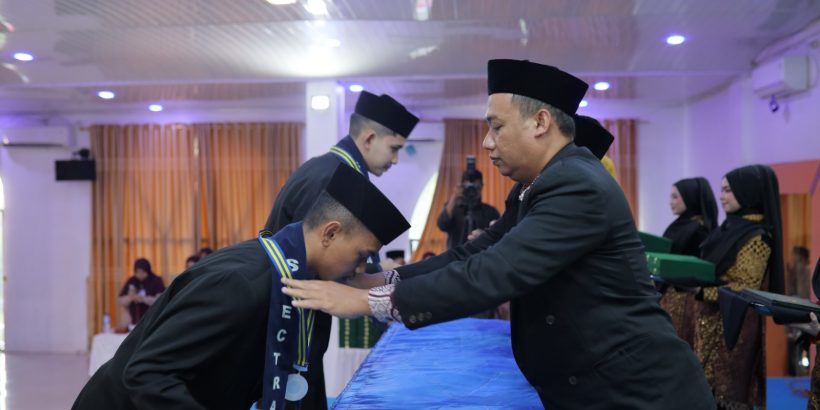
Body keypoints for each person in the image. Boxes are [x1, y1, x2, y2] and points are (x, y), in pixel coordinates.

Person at [282, 59, 715, 409]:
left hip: (639, 394)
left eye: (497, 127)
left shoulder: (577, 185)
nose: (487, 143)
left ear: (540, 122)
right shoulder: (536, 186)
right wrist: (382, 280)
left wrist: (367, 302)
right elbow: (472, 253)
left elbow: (495, 272)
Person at [71, 164, 409, 410]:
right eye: (361, 255)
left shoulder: (307, 284)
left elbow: (304, 378)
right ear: (330, 233)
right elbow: (147, 375)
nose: (361, 269)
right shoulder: (239, 283)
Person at [264, 90, 418, 409]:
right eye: (394, 149)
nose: (395, 160)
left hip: (300, 317)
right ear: (369, 138)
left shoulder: (333, 170)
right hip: (291, 324)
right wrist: (377, 291)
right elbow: (313, 261)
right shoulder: (332, 178)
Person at [695, 164, 784, 409]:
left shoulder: (757, 236)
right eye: (721, 190)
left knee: (728, 395)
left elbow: (746, 287)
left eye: (728, 190)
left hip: (735, 328)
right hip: (709, 321)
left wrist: (702, 291)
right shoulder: (728, 229)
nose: (721, 196)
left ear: (747, 192)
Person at [659, 177, 717, 348]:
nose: (670, 202)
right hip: (670, 296)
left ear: (689, 197)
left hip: (685, 301)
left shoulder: (698, 230)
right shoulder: (681, 225)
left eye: (675, 196)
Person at [437, 168, 500, 249]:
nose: (472, 191)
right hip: (456, 254)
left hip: (482, 254)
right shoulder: (453, 208)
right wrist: (454, 196)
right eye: (469, 187)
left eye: (476, 187)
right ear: (462, 187)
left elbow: (497, 236)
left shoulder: (490, 212)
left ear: (482, 187)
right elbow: (442, 224)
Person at [117, 258, 165, 326]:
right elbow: (120, 300)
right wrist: (131, 298)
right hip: (133, 320)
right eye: (138, 272)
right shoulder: (132, 281)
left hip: (152, 319)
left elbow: (160, 300)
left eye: (142, 272)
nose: (140, 274)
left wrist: (143, 299)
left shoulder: (156, 280)